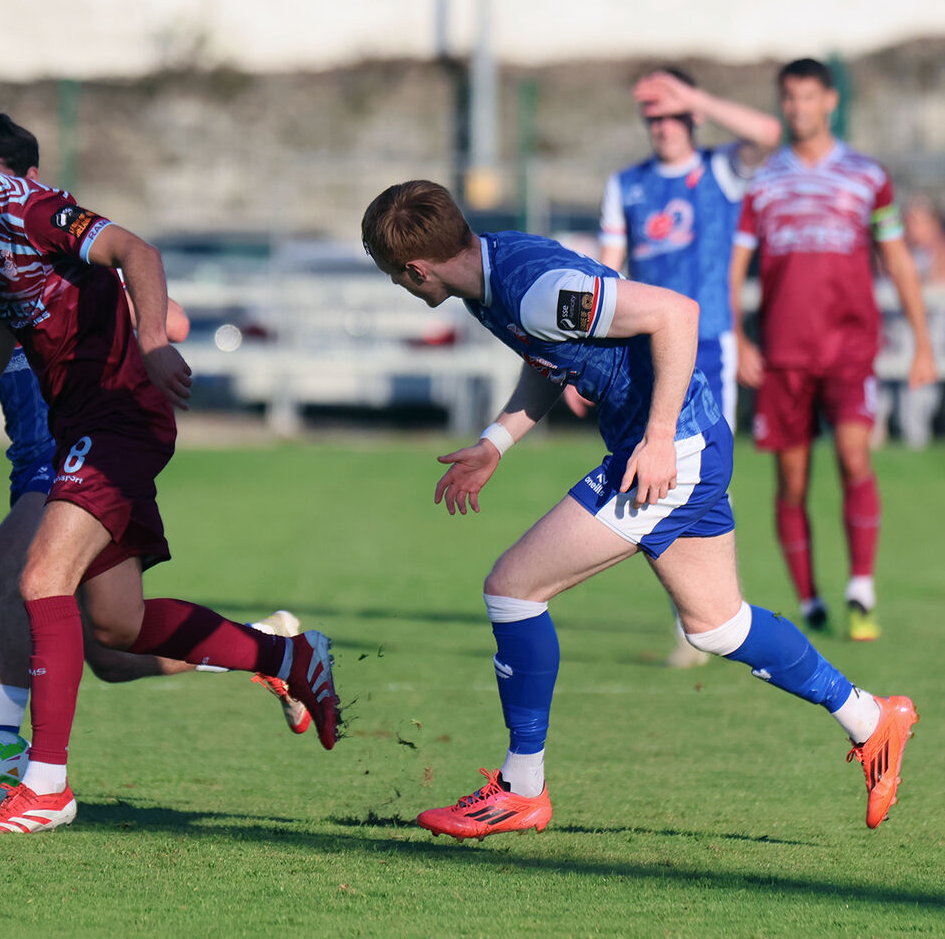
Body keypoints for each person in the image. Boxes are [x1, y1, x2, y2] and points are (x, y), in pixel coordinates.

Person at [361, 179, 917, 839]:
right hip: (688, 443)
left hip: (668, 451)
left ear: (416, 267)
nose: (402, 287)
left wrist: (657, 440)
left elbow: (675, 314)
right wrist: (496, 442)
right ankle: (869, 717)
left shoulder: (531, 287)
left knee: (513, 590)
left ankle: (521, 789)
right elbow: (548, 354)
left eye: (396, 277)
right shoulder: (493, 269)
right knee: (717, 624)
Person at [0, 97, 340, 835]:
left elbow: (137, 252)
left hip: (120, 415)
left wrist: (152, 337)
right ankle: (286, 654)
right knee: (116, 633)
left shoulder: (30, 208)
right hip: (82, 423)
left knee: (32, 577)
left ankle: (42, 785)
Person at [730, 58, 937, 641]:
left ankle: (861, 590)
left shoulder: (868, 176)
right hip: (784, 355)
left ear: (830, 102)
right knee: (793, 482)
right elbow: (735, 263)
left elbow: (896, 258)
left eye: (808, 96)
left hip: (850, 348)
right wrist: (742, 337)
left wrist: (923, 342)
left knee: (853, 458)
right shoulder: (764, 181)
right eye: (788, 97)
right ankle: (810, 598)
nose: (798, 107)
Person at [595, 68, 781, 667]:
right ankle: (704, 611)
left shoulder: (720, 171)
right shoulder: (627, 184)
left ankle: (705, 613)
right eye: (652, 115)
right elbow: (609, 273)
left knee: (696, 478)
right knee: (648, 473)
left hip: (710, 348)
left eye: (672, 113)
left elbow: (770, 133)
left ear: (692, 117)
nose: (662, 125)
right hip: (640, 353)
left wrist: (694, 94)